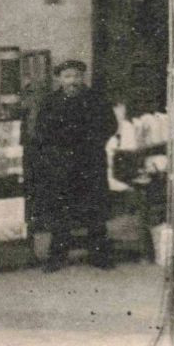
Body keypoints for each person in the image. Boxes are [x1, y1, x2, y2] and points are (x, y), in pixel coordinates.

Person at [24, 60, 119, 271]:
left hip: (90, 161)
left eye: (76, 76)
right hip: (62, 164)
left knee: (94, 209)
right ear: (60, 79)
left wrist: (92, 141)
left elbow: (110, 125)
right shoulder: (50, 102)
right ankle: (57, 256)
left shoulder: (96, 100)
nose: (72, 81)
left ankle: (99, 254)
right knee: (61, 211)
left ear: (82, 78)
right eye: (67, 77)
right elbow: (41, 131)